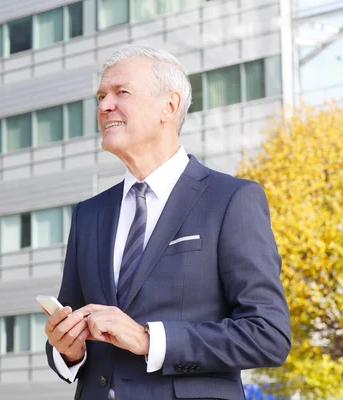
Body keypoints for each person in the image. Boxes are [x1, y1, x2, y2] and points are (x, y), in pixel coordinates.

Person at [43, 45, 291, 400]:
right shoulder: (89, 213)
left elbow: (268, 335)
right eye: (100, 96)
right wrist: (68, 350)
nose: (103, 106)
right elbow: (75, 327)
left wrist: (149, 339)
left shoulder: (231, 199)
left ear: (169, 106)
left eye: (120, 92)